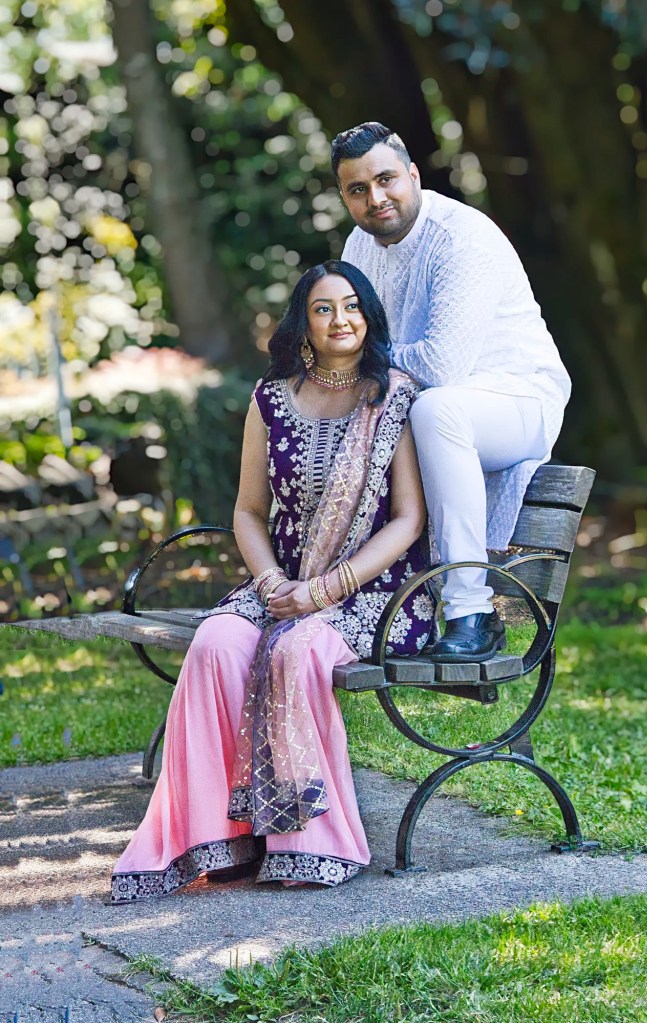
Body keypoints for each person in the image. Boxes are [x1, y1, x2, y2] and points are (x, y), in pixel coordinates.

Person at [111, 261, 434, 902]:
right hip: (278, 582)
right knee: (215, 644)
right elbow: (247, 511)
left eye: (351, 306)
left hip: (377, 592)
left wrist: (327, 589)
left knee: (298, 648)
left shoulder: (394, 396)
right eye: (323, 309)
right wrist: (269, 583)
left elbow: (408, 519)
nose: (340, 319)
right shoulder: (272, 398)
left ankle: (309, 841)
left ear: (368, 314)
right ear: (303, 324)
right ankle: (219, 837)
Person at [332, 121, 571, 663]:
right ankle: (332, 593)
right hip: (428, 412)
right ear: (344, 196)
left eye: (387, 179)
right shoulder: (358, 246)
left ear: (413, 175)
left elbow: (442, 366)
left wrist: (357, 362)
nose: (376, 198)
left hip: (518, 399)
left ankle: (472, 613)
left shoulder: (462, 237)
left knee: (439, 407)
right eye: (357, 189)